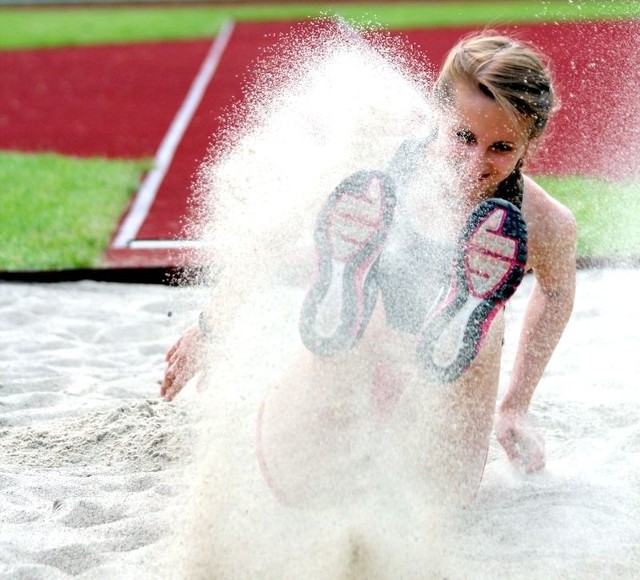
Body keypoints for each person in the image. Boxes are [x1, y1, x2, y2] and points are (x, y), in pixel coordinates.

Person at [161, 32, 576, 504]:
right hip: (358, 347)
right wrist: (210, 331)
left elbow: (557, 292)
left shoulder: (545, 224)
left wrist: (516, 405)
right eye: (464, 137)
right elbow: (274, 236)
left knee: (484, 332)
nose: (474, 162)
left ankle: (452, 316)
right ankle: (352, 294)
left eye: (501, 148)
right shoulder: (373, 169)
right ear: (438, 115)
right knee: (298, 482)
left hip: (443, 381)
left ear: (530, 140)